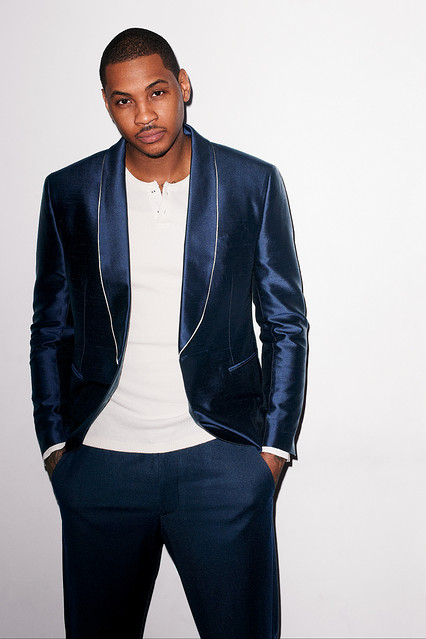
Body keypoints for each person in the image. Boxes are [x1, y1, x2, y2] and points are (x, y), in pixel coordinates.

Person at [30, 27, 308, 639]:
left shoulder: (250, 183)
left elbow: (285, 322)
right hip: (100, 467)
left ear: (182, 86)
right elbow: (50, 326)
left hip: (221, 461)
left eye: (156, 92)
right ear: (108, 105)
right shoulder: (69, 192)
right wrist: (55, 448)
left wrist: (273, 451)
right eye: (123, 100)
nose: (144, 115)